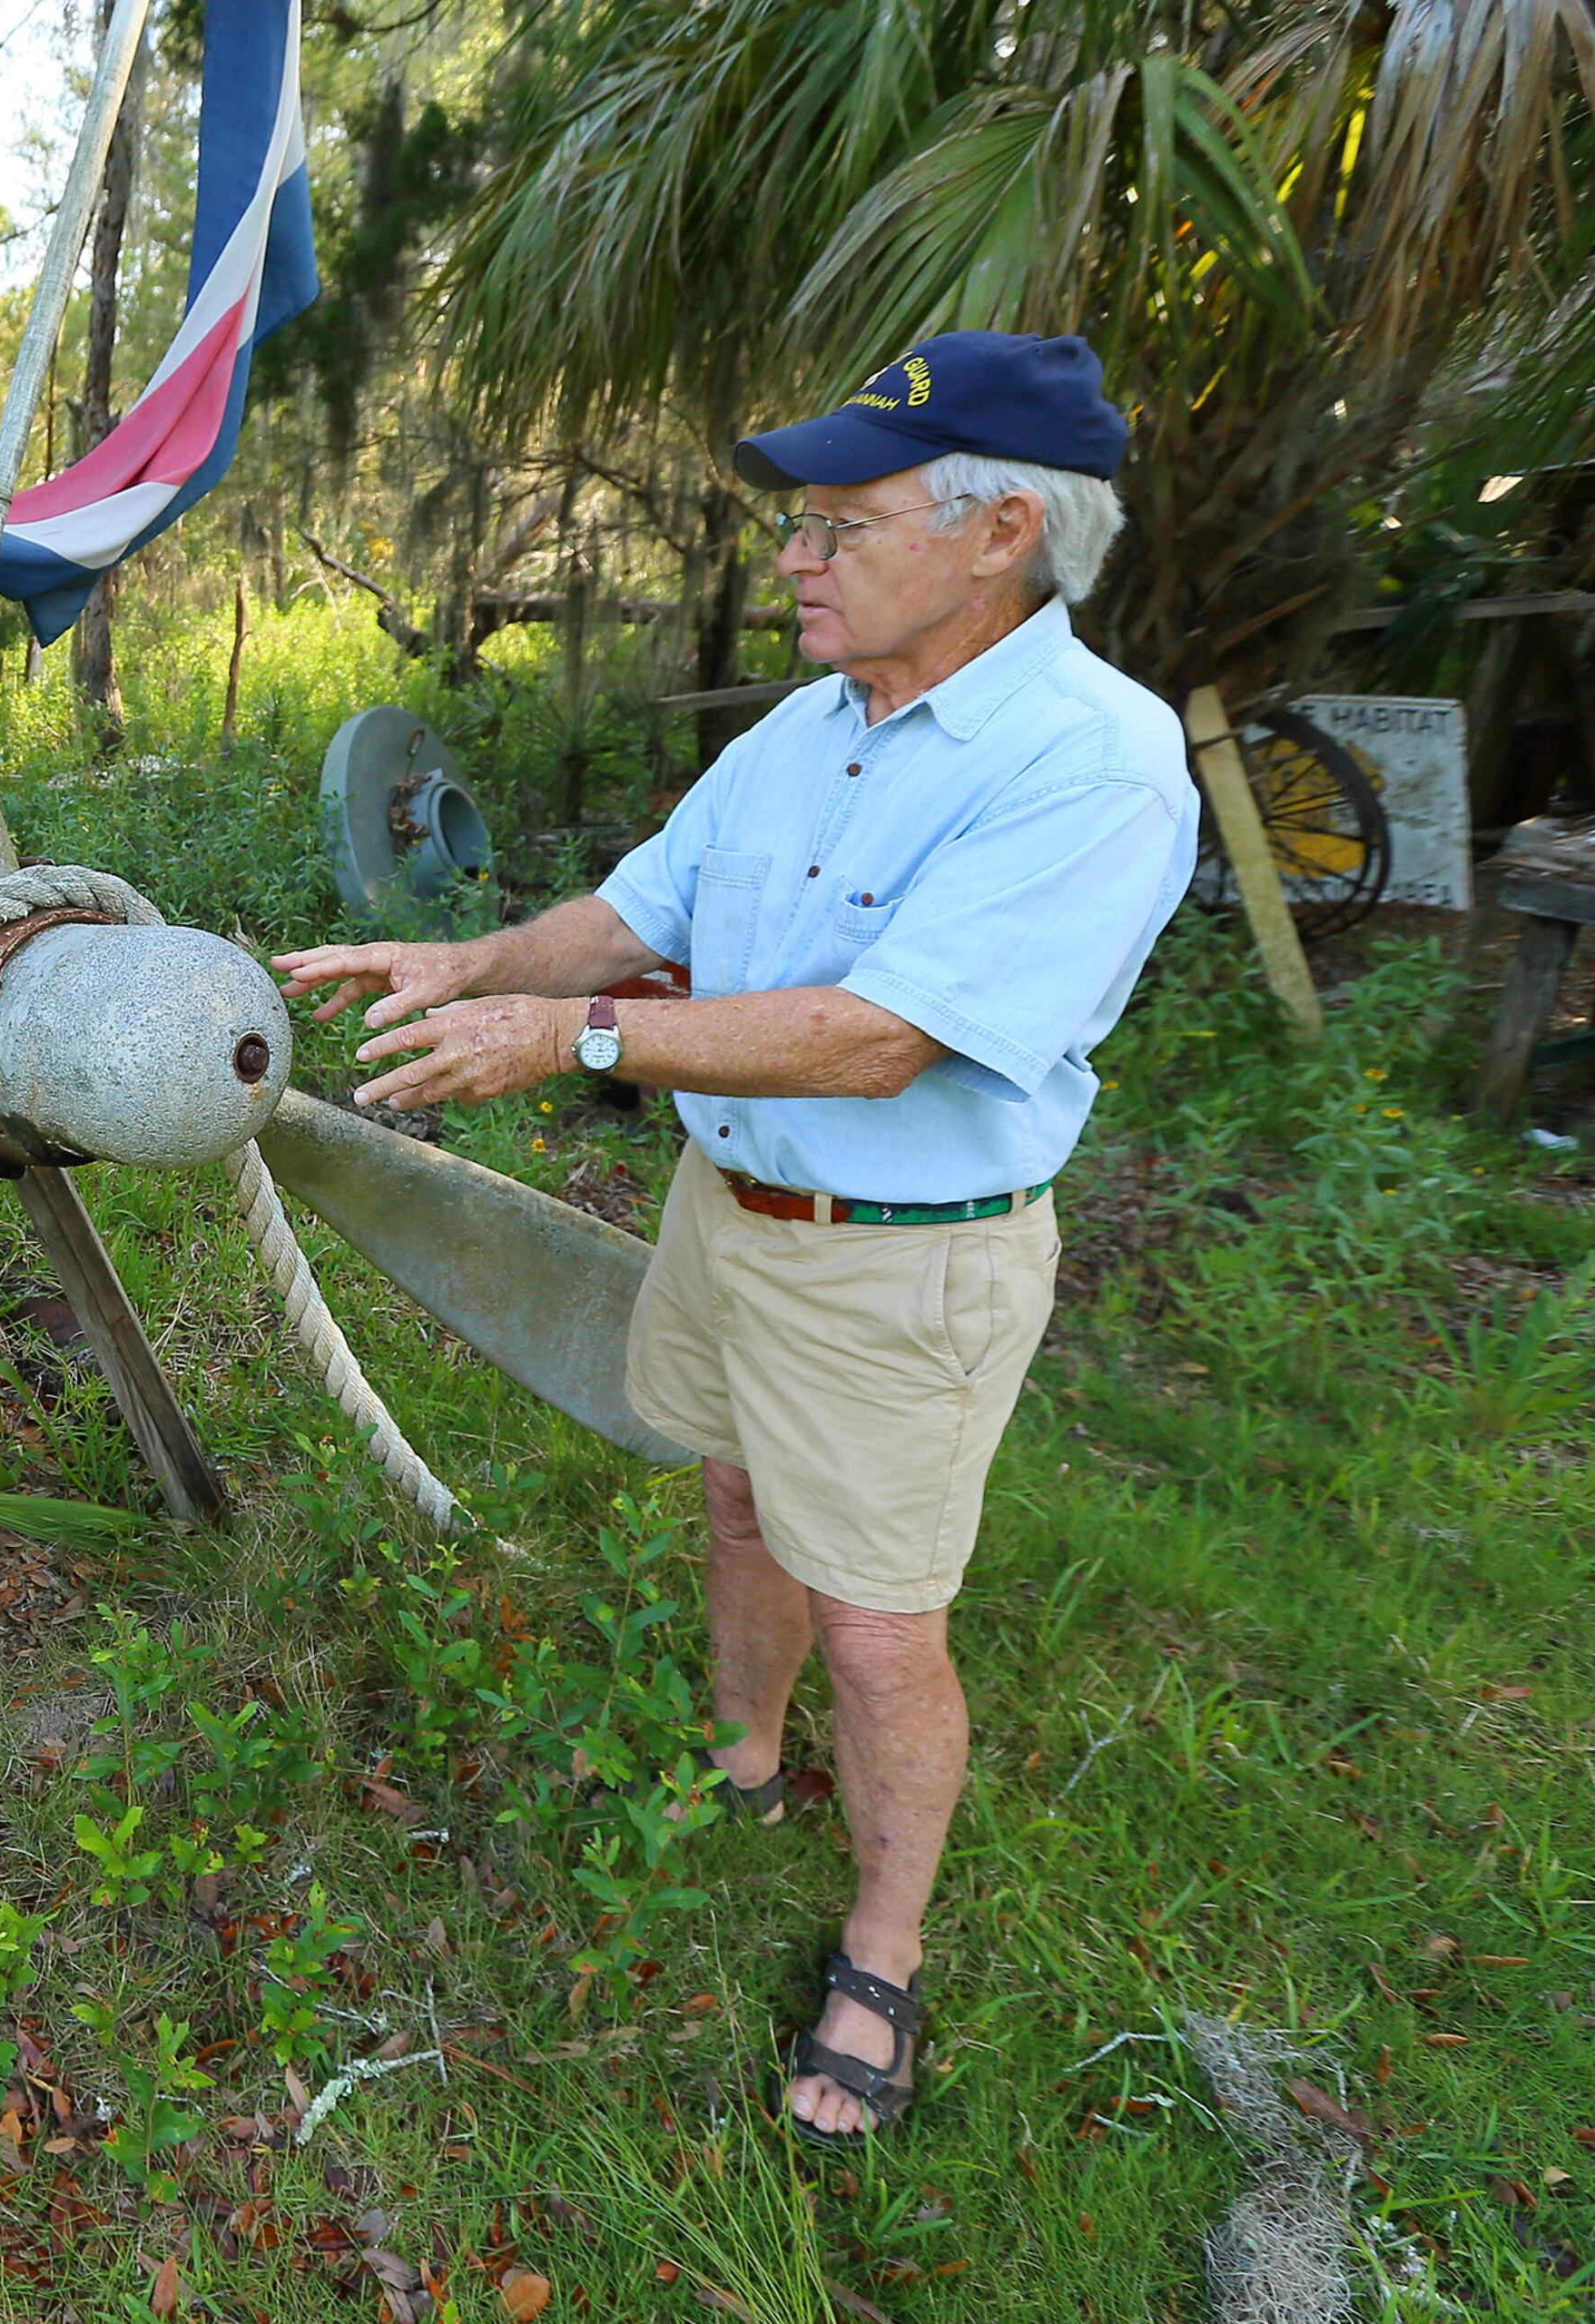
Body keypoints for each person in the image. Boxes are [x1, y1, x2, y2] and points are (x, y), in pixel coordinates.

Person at [272, 331, 1196, 2145]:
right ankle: (743, 1757)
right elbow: (641, 909)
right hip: (734, 1209)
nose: (793, 553)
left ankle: (882, 1946)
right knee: (733, 1494)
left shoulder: (1095, 763)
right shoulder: (811, 724)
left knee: (882, 1628)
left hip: (900, 1257)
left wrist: (571, 1038)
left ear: (1005, 526)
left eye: (841, 522)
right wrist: (478, 966)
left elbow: (881, 1032)